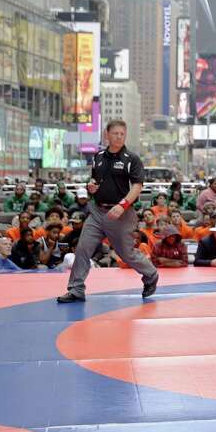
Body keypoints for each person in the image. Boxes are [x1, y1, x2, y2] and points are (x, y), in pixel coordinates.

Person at [57, 120, 158, 303]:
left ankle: (150, 275)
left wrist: (123, 205)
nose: (119, 136)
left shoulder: (131, 159)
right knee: (82, 248)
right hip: (97, 211)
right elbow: (95, 181)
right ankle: (76, 289)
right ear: (107, 135)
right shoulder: (99, 156)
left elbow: (137, 186)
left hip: (121, 213)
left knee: (127, 254)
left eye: (122, 133)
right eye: (115, 133)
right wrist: (91, 187)